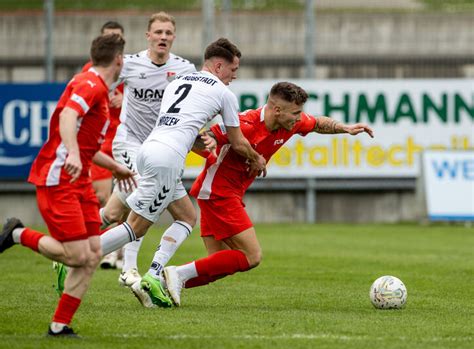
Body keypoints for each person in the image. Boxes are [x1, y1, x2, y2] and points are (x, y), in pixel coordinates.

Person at [161, 81, 374, 307]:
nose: (298, 118)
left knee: (220, 264)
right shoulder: (246, 123)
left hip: (222, 193)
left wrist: (345, 128)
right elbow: (198, 140)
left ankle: (159, 282)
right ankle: (177, 274)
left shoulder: (291, 123)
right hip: (218, 192)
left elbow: (318, 124)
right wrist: (213, 145)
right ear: (277, 110)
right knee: (251, 256)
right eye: (295, 113)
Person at [99, 37, 267, 308]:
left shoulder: (177, 82)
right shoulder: (224, 94)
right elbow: (238, 142)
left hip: (149, 149)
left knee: (187, 216)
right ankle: (77, 256)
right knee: (134, 226)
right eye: (233, 70)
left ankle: (154, 274)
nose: (234, 76)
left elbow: (182, 125)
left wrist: (204, 142)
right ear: (219, 65)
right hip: (167, 159)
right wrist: (256, 158)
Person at [0, 34, 135, 337]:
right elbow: (68, 116)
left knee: (92, 253)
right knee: (76, 256)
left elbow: (87, 145)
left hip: (80, 179)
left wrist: (114, 167)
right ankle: (18, 233)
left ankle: (60, 325)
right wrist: (73, 152)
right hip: (57, 178)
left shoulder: (96, 86)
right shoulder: (90, 84)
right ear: (119, 60)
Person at [98, 12, 198, 279]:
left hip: (162, 149)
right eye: (158, 32)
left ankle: (74, 242)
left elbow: (194, 105)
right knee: (146, 193)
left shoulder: (185, 69)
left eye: (168, 33)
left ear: (173, 37)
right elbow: (100, 82)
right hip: (130, 142)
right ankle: (129, 269)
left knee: (114, 211)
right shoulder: (130, 64)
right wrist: (111, 96)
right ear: (148, 36)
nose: (163, 37)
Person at [81, 21, 126, 269]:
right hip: (99, 141)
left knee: (125, 197)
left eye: (117, 38)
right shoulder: (90, 71)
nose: (113, 41)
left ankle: (117, 251)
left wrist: (125, 99)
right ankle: (106, 248)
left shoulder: (130, 68)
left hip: (122, 138)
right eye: (109, 37)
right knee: (102, 197)